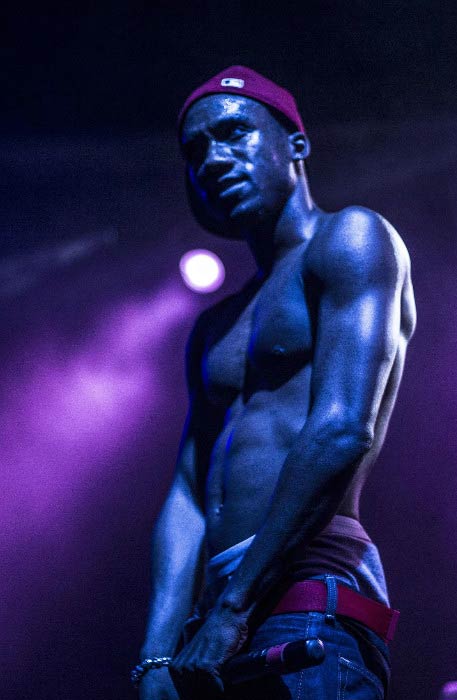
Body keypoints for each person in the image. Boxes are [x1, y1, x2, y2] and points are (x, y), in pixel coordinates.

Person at [136, 66, 416, 700]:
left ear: (297, 144)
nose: (212, 159)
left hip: (305, 602)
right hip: (215, 625)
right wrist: (154, 657)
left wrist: (233, 612)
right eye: (195, 151)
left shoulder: (351, 237)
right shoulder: (215, 324)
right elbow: (186, 489)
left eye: (233, 134)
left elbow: (344, 427)